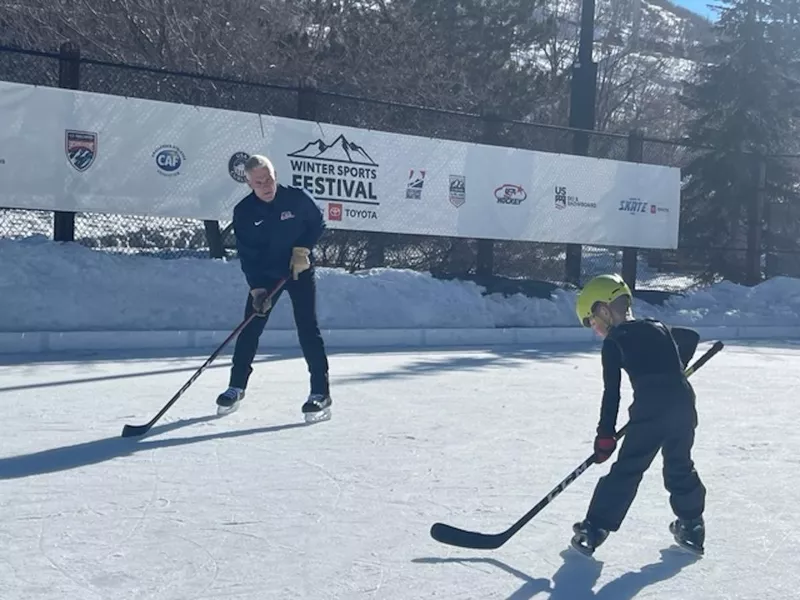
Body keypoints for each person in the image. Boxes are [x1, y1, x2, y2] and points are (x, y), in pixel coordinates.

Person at [570, 273, 706, 556]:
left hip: (650, 412)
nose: (595, 329)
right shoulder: (657, 326)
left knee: (628, 468)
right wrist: (678, 367)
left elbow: (612, 394)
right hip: (683, 404)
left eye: (592, 322)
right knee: (679, 465)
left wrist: (605, 435)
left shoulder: (614, 341)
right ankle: (692, 525)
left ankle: (595, 528)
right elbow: (689, 337)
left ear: (604, 310)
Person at [216, 154, 332, 423]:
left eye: (269, 179)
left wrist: (303, 249)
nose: (266, 186)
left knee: (307, 328)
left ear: (275, 175)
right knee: (250, 327)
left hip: (298, 270)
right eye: (259, 182)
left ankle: (320, 393)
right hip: (267, 276)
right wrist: (257, 288)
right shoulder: (244, 212)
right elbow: (247, 253)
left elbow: (317, 223)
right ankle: (236, 386)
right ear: (249, 183)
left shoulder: (297, 198)